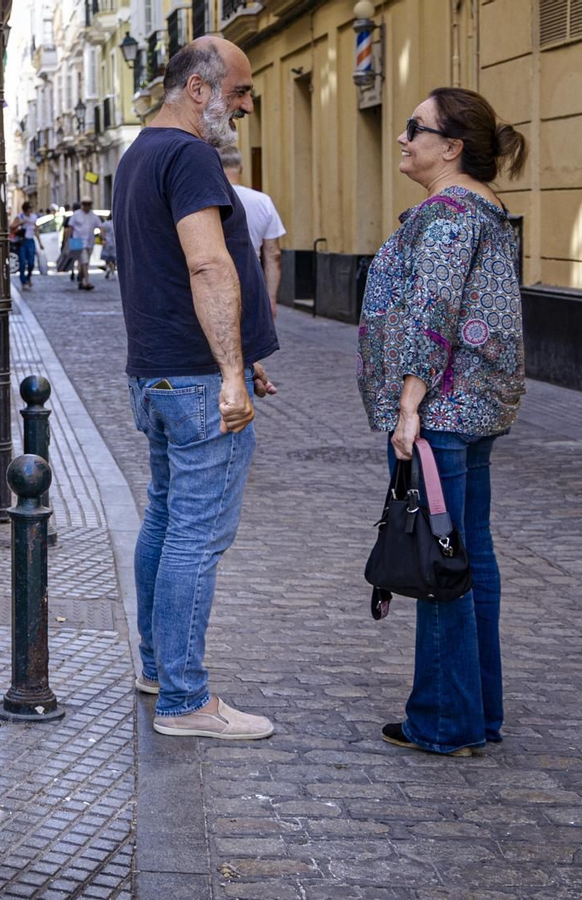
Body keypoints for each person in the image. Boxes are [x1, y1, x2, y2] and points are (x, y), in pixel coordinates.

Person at [112, 36, 279, 740]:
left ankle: (157, 668)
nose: (245, 104)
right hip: (196, 380)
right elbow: (209, 268)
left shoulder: (137, 155)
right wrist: (232, 373)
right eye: (238, 92)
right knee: (196, 538)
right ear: (200, 90)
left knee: (164, 523)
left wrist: (245, 352)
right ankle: (186, 700)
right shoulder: (188, 155)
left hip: (155, 374)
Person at [357, 87, 526, 757]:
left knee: (442, 566)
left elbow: (433, 312)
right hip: (473, 406)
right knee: (469, 558)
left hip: (444, 408)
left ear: (451, 147)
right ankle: (475, 712)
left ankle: (444, 721)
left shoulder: (450, 213)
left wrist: (408, 405)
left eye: (413, 128)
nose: (403, 139)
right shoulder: (484, 209)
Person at [219, 146, 285, 317]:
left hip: (217, 279)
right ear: (241, 168)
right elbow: (273, 255)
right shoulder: (263, 202)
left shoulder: (210, 200)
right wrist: (271, 299)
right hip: (251, 279)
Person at [64, 199, 102, 289]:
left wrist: (102, 237)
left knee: (84, 262)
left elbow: (100, 227)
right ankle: (87, 282)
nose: (86, 206)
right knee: (84, 262)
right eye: (85, 204)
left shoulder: (93, 216)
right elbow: (70, 228)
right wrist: (67, 241)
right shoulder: (76, 214)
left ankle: (81, 280)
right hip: (78, 242)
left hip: (90, 242)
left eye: (88, 204)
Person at [11, 201, 38, 287]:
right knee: (22, 262)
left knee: (31, 262)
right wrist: (21, 222)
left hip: (30, 241)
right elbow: (11, 227)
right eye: (29, 208)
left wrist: (40, 242)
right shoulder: (20, 217)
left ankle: (28, 276)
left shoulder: (34, 217)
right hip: (22, 241)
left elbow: (36, 230)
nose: (31, 210)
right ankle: (23, 282)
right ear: (26, 209)